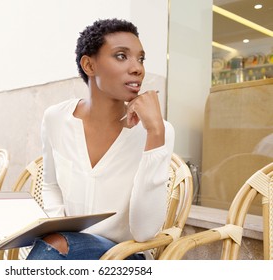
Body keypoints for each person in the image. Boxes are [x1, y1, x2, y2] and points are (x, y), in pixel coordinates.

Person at [26, 18, 175, 260]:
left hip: (125, 255)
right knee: (55, 244)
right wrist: (56, 226)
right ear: (89, 65)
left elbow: (145, 231)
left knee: (55, 246)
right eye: (121, 56)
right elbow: (51, 185)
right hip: (64, 246)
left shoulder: (157, 131)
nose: (137, 68)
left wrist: (156, 133)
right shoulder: (56, 118)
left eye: (140, 58)